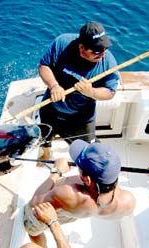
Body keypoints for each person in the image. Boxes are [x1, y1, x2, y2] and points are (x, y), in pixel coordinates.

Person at [24, 139, 136, 248]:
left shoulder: (69, 192)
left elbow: (35, 202)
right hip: (73, 214)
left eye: (79, 165)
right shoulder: (128, 201)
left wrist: (57, 171)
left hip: (59, 208)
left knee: (33, 231)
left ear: (87, 179)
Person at [38, 21, 119, 160]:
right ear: (81, 47)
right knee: (45, 137)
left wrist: (91, 92)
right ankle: (46, 152)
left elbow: (110, 92)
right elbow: (44, 66)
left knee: (88, 151)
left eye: (105, 48)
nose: (102, 54)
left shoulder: (108, 62)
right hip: (51, 106)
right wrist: (54, 86)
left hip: (82, 116)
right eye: (97, 50)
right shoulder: (62, 43)